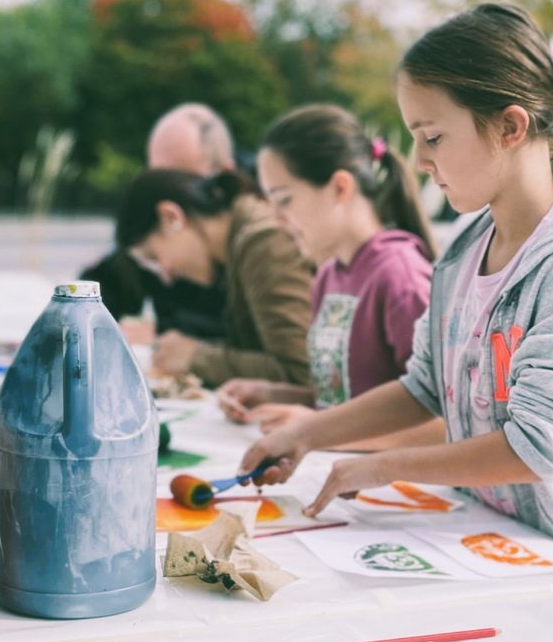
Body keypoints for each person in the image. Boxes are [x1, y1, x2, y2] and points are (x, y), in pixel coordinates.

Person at [240, 3, 553, 571]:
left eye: (433, 136)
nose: (417, 161)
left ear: (510, 127)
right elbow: (425, 385)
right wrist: (308, 433)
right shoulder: (462, 256)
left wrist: (385, 465)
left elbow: (533, 448)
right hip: (491, 544)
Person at [222, 103, 444, 450]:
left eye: (284, 200)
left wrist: (315, 432)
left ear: (340, 187)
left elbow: (444, 422)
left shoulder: (399, 276)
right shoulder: (329, 275)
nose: (276, 220)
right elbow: (347, 397)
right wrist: (277, 394)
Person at [113, 168, 315, 387]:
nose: (166, 276)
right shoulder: (242, 243)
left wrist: (195, 356)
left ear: (171, 217)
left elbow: (301, 373)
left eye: (154, 258)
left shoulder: (263, 242)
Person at [82, 103, 236, 342]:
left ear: (224, 174)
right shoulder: (156, 229)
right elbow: (103, 290)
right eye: (157, 178)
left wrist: (165, 333)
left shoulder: (258, 231)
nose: (165, 200)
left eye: (181, 182)